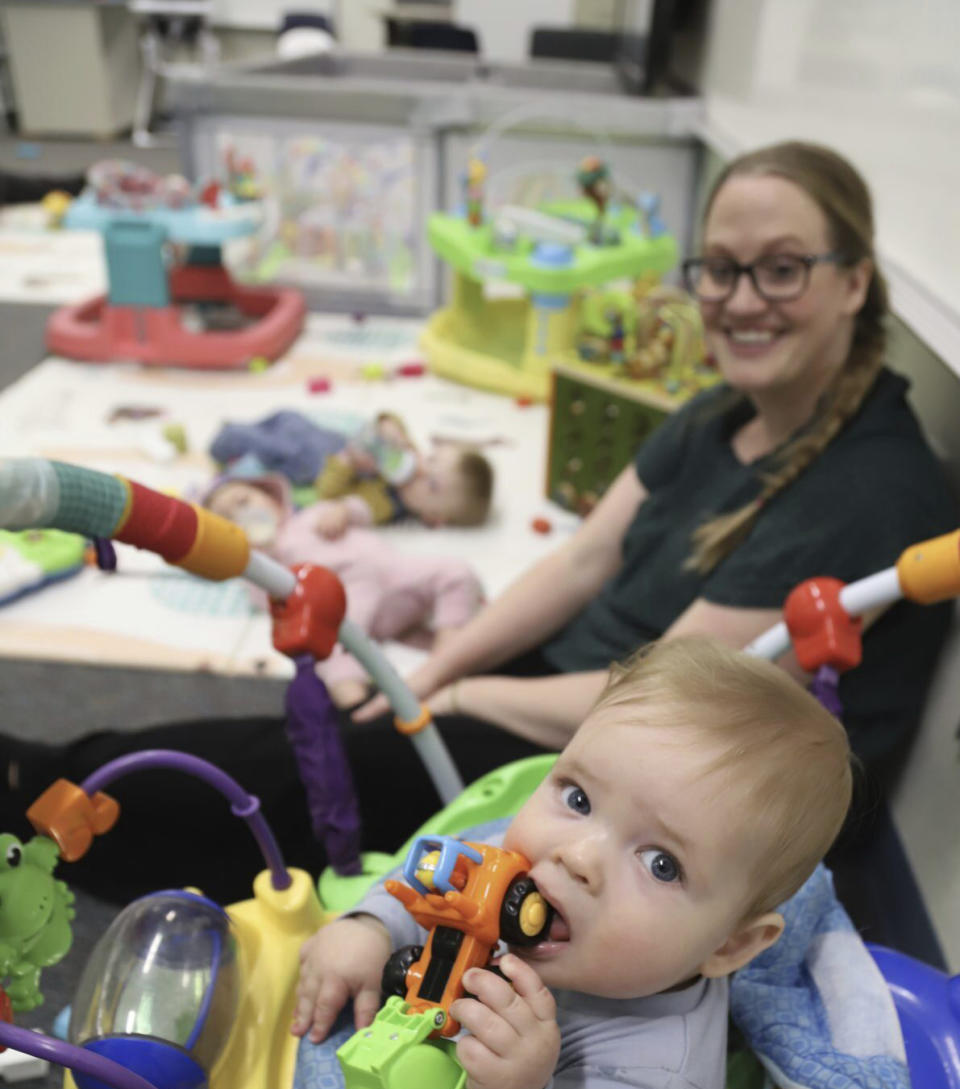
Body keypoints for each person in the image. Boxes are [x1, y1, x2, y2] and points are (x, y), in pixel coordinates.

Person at [2, 140, 955, 910]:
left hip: (630, 776)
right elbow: (584, 559)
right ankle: (49, 781)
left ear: (856, 281)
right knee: (320, 732)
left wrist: (460, 699)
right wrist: (439, 667)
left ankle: (34, 797)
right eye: (722, 269)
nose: (742, 300)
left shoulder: (868, 488)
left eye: (782, 271)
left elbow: (659, 715)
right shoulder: (723, 412)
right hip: (565, 700)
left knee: (278, 781)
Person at [293, 637, 852, 1089]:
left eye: (661, 863)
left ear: (728, 944)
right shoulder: (539, 869)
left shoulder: (659, 1076)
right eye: (579, 799)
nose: (577, 857)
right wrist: (372, 924)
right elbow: (453, 866)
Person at [204, 473, 485, 709]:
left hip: (392, 571)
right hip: (347, 599)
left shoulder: (314, 513)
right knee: (328, 653)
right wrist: (261, 560)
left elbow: (363, 511)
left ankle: (445, 665)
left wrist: (343, 511)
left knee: (456, 571)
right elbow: (270, 602)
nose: (242, 514)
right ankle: (357, 710)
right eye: (228, 518)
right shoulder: (261, 562)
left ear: (271, 497)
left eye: (243, 501)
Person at [313, 413, 494, 536]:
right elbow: (387, 418)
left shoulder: (384, 504)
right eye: (432, 459)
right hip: (329, 433)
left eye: (432, 485)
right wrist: (391, 429)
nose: (422, 469)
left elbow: (328, 494)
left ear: (432, 516)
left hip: (311, 459)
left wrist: (347, 461)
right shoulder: (407, 452)